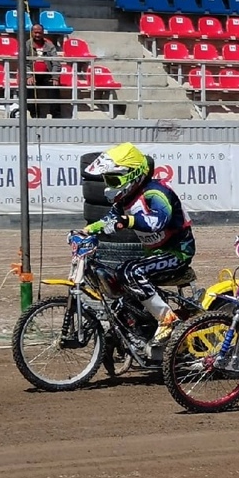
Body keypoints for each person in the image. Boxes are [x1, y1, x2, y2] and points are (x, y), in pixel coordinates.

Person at [83, 142, 196, 344]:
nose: (109, 185)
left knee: (131, 272)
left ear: (133, 175)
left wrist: (128, 221)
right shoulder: (125, 199)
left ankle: (167, 320)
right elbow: (109, 220)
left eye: (113, 179)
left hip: (177, 252)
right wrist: (86, 230)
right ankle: (139, 326)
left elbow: (159, 221)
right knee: (118, 273)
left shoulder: (156, 192)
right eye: (106, 179)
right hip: (154, 253)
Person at [26, 24, 62, 118]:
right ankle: (34, 114)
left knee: (54, 89)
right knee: (29, 90)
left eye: (39, 33)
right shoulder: (27, 45)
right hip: (32, 74)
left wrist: (55, 77)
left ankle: (56, 116)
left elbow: (56, 62)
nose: (37, 35)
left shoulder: (49, 45)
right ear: (31, 33)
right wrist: (29, 75)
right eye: (35, 32)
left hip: (47, 74)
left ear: (43, 33)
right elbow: (23, 62)